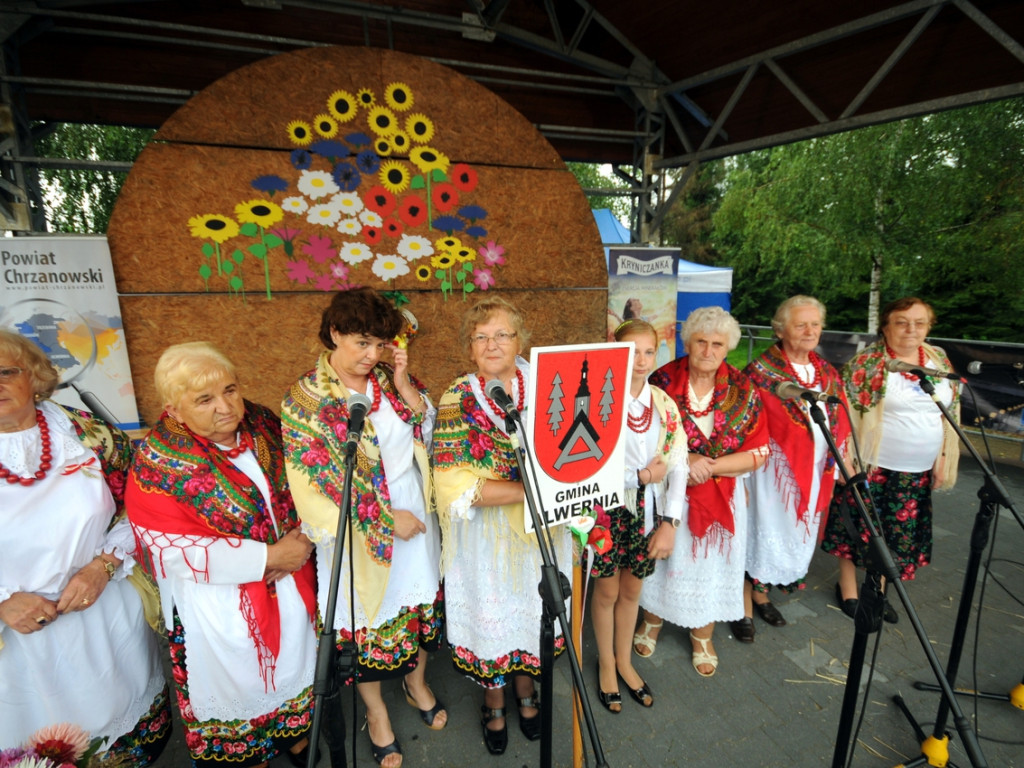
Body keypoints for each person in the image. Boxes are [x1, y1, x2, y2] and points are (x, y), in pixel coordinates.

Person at [126, 342, 317, 768]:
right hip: (219, 602)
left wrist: (303, 538)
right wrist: (266, 558)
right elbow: (168, 550)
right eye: (204, 400)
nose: (226, 407)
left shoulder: (263, 422)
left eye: (230, 390)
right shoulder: (159, 462)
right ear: (174, 409)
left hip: (290, 577)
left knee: (294, 663)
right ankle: (251, 754)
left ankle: (293, 734)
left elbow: (309, 477)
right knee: (240, 682)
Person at [281, 288, 444, 768]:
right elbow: (311, 487)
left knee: (417, 606)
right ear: (334, 333)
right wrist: (384, 519)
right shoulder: (305, 399)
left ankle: (415, 684)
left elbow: (426, 430)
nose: (371, 355)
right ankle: (376, 714)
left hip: (413, 507)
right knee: (369, 621)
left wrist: (403, 382)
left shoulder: (389, 380)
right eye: (362, 343)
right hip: (357, 528)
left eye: (380, 344)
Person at [0, 329, 171, 763]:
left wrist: (104, 565)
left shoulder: (81, 430)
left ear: (34, 376)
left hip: (102, 609)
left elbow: (145, 496)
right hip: (18, 639)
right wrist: (3, 602)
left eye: (6, 372)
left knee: (120, 729)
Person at [432, 296, 572, 754]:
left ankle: (526, 689)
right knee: (493, 613)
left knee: (533, 610)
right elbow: (452, 483)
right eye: (481, 337)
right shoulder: (457, 397)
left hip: (541, 535)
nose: (492, 344)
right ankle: (494, 698)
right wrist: (528, 492)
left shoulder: (553, 385)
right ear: (470, 348)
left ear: (520, 341)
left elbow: (577, 451)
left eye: (502, 334)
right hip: (486, 539)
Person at [633, 306, 768, 673]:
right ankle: (652, 620)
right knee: (661, 559)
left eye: (717, 344)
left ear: (728, 348)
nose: (708, 351)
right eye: (701, 341)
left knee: (711, 566)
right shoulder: (660, 381)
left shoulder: (744, 390)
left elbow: (760, 451)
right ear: (688, 342)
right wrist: (685, 458)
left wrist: (709, 466)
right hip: (667, 491)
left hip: (721, 494)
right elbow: (641, 436)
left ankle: (702, 634)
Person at [822, 297, 960, 623]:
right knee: (857, 530)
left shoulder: (938, 359)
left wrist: (943, 457)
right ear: (885, 327)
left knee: (896, 537)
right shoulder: (867, 364)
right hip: (872, 466)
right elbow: (840, 416)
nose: (911, 329)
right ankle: (848, 588)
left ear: (929, 326)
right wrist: (845, 461)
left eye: (920, 322)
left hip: (917, 471)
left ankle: (878, 592)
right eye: (901, 322)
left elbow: (949, 412)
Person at [592, 320, 686, 710]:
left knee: (632, 589)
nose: (642, 360)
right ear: (616, 349)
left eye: (650, 351)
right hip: (605, 510)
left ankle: (625, 660)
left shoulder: (663, 404)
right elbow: (588, 464)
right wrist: (642, 475)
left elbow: (677, 463)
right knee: (608, 589)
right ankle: (606, 665)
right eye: (633, 351)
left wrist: (670, 522)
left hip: (647, 511)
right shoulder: (599, 400)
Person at [743, 296, 851, 632]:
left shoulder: (827, 373)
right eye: (800, 324)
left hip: (812, 473)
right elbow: (741, 422)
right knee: (757, 534)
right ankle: (745, 605)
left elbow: (840, 420)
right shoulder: (760, 373)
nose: (809, 331)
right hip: (766, 477)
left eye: (815, 324)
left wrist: (840, 461)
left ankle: (761, 594)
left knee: (786, 536)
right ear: (780, 329)